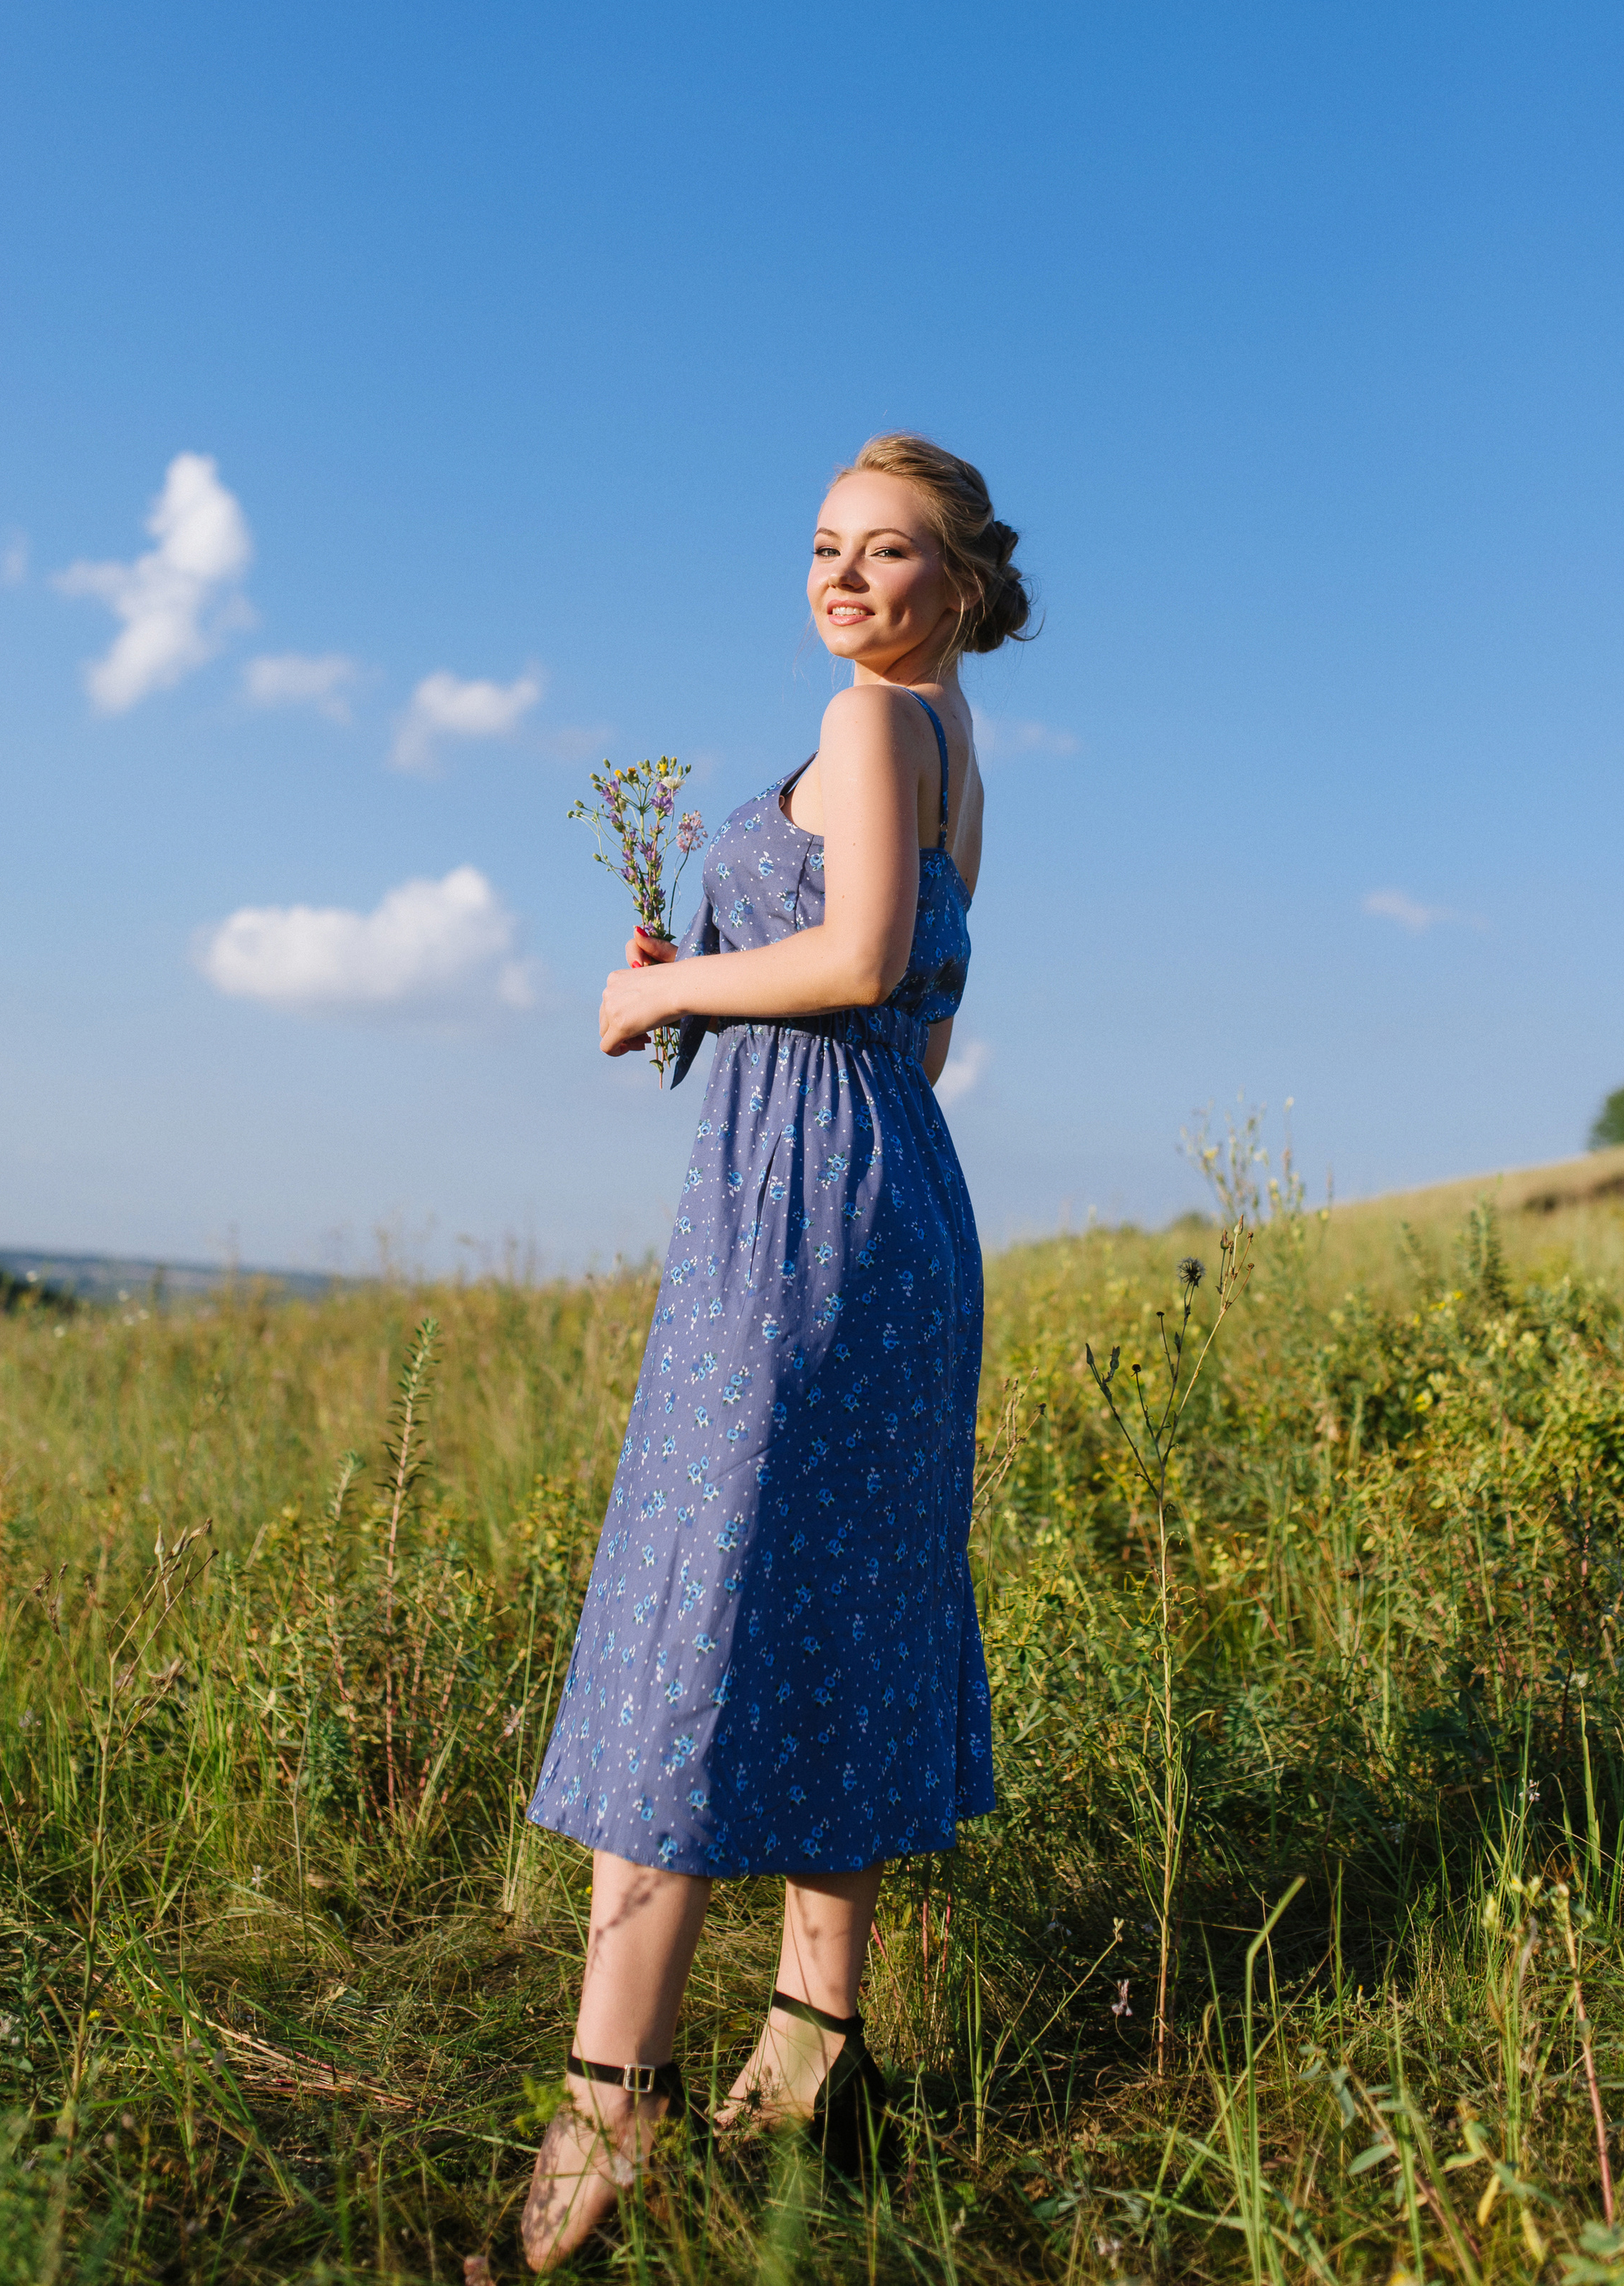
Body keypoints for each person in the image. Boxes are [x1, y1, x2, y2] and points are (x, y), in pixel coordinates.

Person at [520, 432, 1034, 2270]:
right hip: (891, 1189)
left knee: (694, 1610)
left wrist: (662, 987)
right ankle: (816, 2045)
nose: (842, 576)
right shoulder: (957, 746)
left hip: (800, 1220)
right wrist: (722, 985)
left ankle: (610, 2112)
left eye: (885, 551)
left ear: (959, 583)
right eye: (825, 545)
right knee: (841, 1599)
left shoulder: (874, 718)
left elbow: (862, 958)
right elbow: (916, 1026)